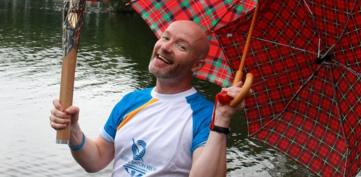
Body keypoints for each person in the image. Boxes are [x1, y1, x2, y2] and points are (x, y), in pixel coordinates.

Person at [50, 20, 245, 177]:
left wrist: (222, 120)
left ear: (196, 65)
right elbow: (96, 160)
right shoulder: (131, 101)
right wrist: (73, 130)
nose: (166, 47)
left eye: (181, 46)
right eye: (165, 37)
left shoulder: (205, 115)